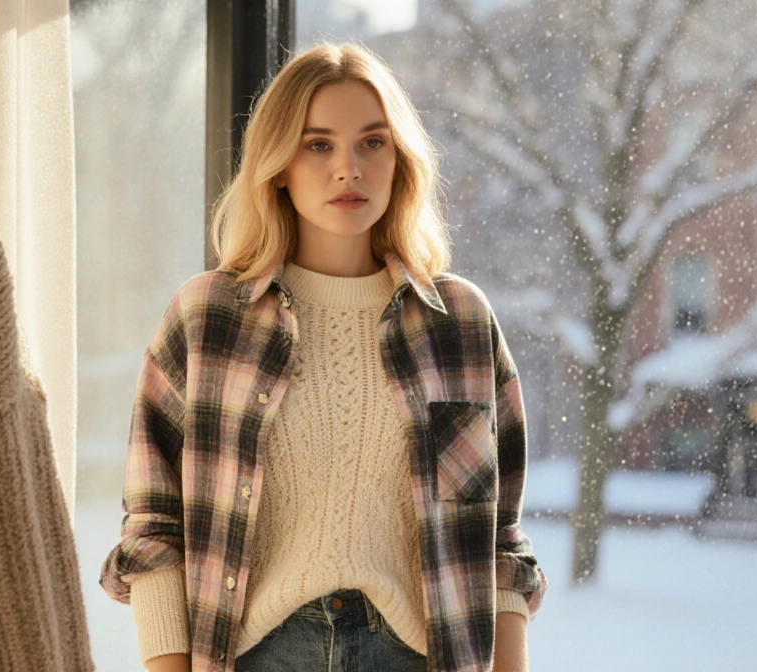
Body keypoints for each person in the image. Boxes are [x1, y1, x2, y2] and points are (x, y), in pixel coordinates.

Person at [100, 42, 548, 672]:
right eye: (318, 145)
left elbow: (497, 539)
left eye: (372, 142)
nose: (349, 169)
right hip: (257, 655)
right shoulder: (207, 319)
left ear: (399, 160)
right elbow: (154, 526)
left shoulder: (460, 324)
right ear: (279, 164)